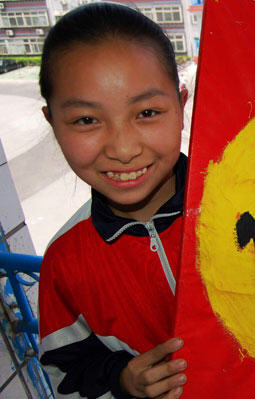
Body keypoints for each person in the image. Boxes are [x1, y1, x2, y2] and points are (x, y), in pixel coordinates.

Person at [37, 4, 189, 399]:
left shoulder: (251, 203)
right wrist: (122, 382)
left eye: (148, 112)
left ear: (182, 106)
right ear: (52, 123)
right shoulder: (64, 262)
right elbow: (67, 373)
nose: (123, 149)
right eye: (87, 120)